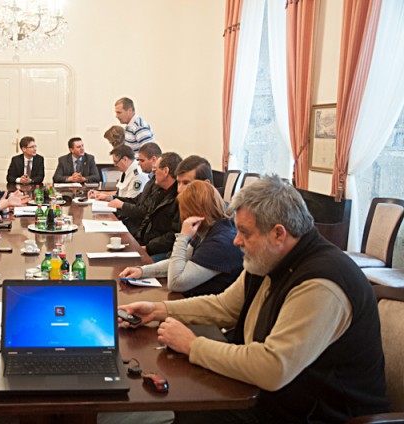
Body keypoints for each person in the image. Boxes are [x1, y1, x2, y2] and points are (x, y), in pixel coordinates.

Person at [119, 175, 388, 423]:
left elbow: (272, 368)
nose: (236, 241)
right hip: (277, 398)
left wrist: (192, 345)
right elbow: (224, 306)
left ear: (278, 233)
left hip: (315, 414)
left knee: (188, 412)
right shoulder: (270, 258)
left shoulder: (322, 282)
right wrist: (158, 310)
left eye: (245, 232)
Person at [120, 180, 242, 297]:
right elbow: (180, 260)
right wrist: (142, 271)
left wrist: (183, 237)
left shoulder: (220, 242)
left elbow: (176, 283)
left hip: (207, 305)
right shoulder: (209, 228)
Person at [135, 152, 182, 259]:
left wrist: (148, 248)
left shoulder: (179, 197)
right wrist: (137, 240)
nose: (153, 172)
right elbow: (147, 218)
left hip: (163, 251)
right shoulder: (159, 190)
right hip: (148, 245)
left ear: (165, 171)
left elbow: (174, 235)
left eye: (155, 169)